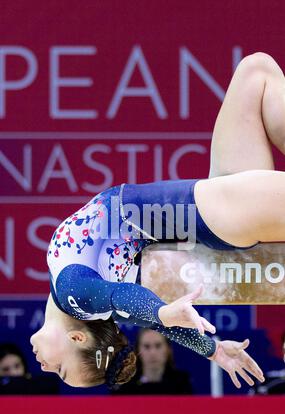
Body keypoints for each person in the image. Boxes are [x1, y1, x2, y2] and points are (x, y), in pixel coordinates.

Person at [31, 51, 285, 390]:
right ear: (77, 339)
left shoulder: (84, 296)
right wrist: (172, 319)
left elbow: (142, 311)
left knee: (256, 74)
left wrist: (212, 350)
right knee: (256, 72)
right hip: (218, 212)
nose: (45, 367)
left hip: (217, 201)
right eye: (59, 369)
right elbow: (126, 299)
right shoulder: (77, 295)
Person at [111, 328, 193, 395]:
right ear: (137, 350)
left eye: (158, 346)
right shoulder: (125, 386)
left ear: (168, 350)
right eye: (147, 346)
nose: (152, 353)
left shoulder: (182, 384)